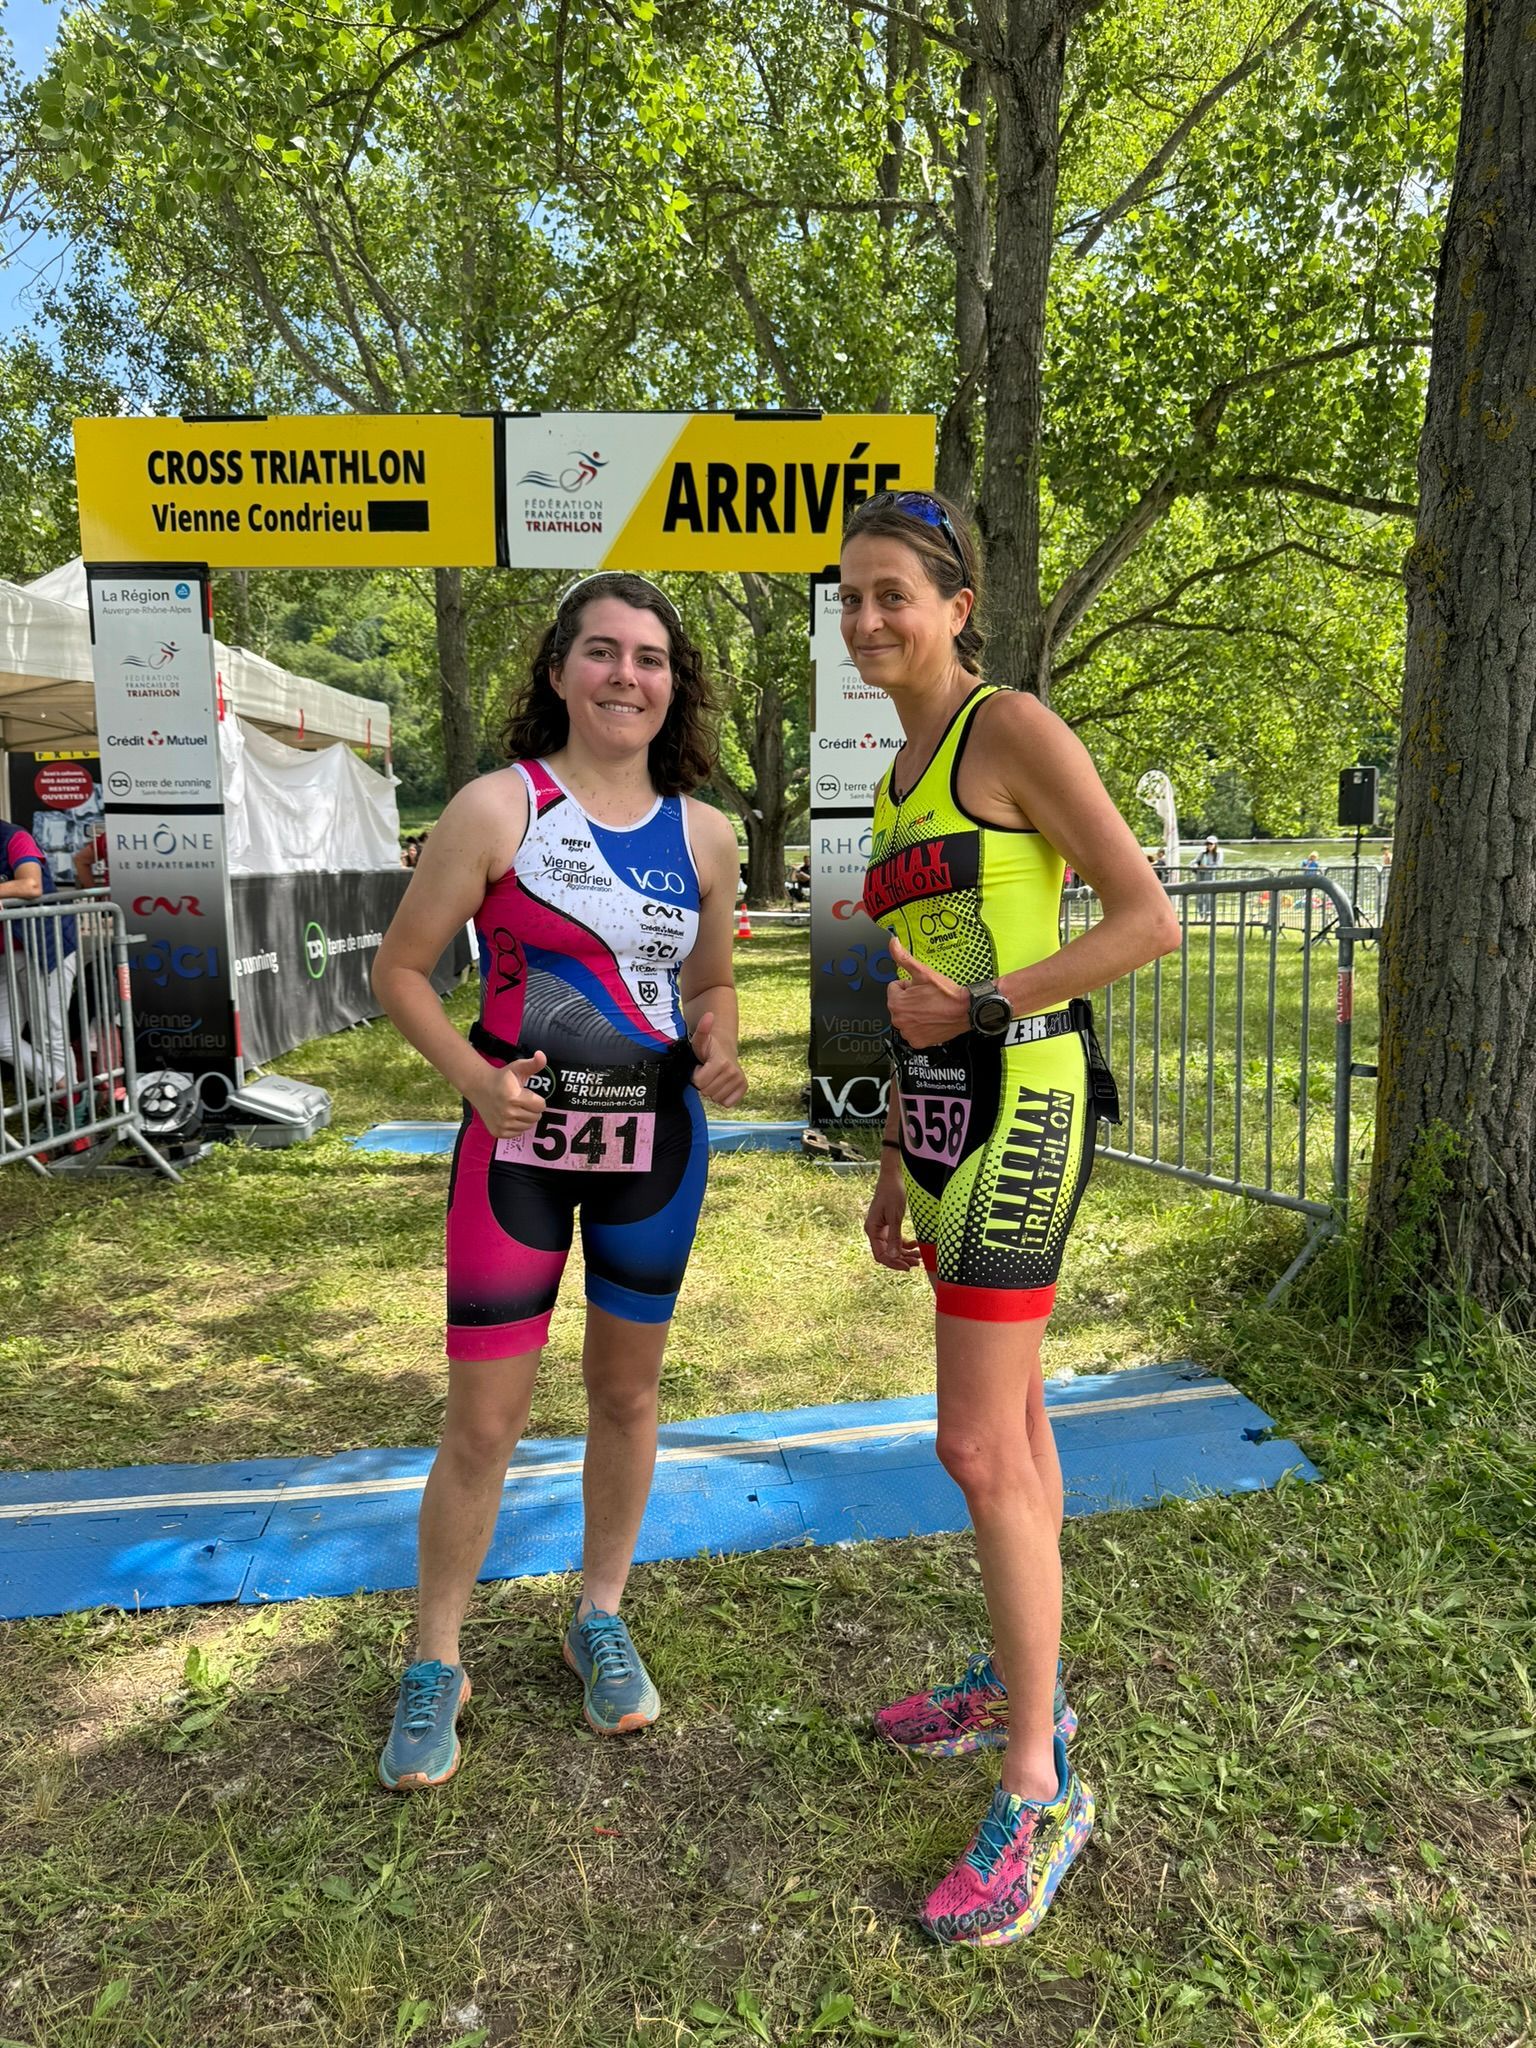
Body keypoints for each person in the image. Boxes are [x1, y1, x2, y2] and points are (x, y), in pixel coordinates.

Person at [840, 491, 1180, 1945]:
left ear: (958, 607)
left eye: (894, 594)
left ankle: (1041, 1784)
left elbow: (1147, 917)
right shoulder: (895, 774)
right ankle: (1018, 1680)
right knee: (1019, 1433)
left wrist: (986, 1006)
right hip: (938, 1126)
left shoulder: (1011, 728)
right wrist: (888, 1161)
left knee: (973, 1444)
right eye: (850, 598)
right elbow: (911, 987)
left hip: (1025, 1103)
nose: (867, 620)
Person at [371, 572, 746, 1792]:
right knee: (484, 1420)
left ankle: (600, 1612)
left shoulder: (704, 834)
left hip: (656, 1151)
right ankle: (436, 1658)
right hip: (516, 1152)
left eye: (650, 657)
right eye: (602, 651)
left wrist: (721, 1035)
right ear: (558, 671)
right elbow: (401, 971)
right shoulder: (499, 807)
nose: (626, 674)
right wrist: (477, 1083)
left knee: (625, 1394)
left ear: (673, 684)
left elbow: (708, 983)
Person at [0, 814, 80, 1106]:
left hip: (44, 947)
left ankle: (68, 1114)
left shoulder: (14, 837)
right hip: (6, 954)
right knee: (2, 1039)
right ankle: (68, 1093)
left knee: (50, 1038)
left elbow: (31, 886)